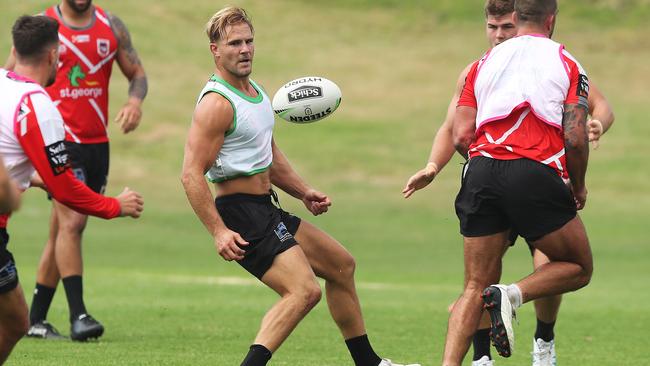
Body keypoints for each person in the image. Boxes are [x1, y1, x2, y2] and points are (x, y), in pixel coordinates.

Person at [181, 7, 419, 366]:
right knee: (303, 291)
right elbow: (190, 174)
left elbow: (269, 157)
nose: (245, 49)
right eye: (234, 43)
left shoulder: (256, 92)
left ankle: (369, 363)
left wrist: (303, 191)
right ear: (215, 50)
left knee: (342, 266)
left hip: (265, 206)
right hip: (241, 213)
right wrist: (218, 231)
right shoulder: (217, 104)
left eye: (249, 41)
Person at [402, 1, 614, 365]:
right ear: (551, 20)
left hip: (481, 171)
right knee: (577, 266)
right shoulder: (566, 62)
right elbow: (575, 136)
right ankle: (511, 294)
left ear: (516, 19)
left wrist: (483, 166)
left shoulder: (481, 66)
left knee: (472, 286)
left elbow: (460, 134)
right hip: (534, 173)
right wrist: (577, 185)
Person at [0, 15, 143, 362]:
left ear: (16, 51)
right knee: (17, 320)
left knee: (17, 318)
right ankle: (75, 313)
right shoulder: (38, 105)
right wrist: (114, 206)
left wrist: (28, 178)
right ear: (54, 57)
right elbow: (65, 189)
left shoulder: (2, 83)